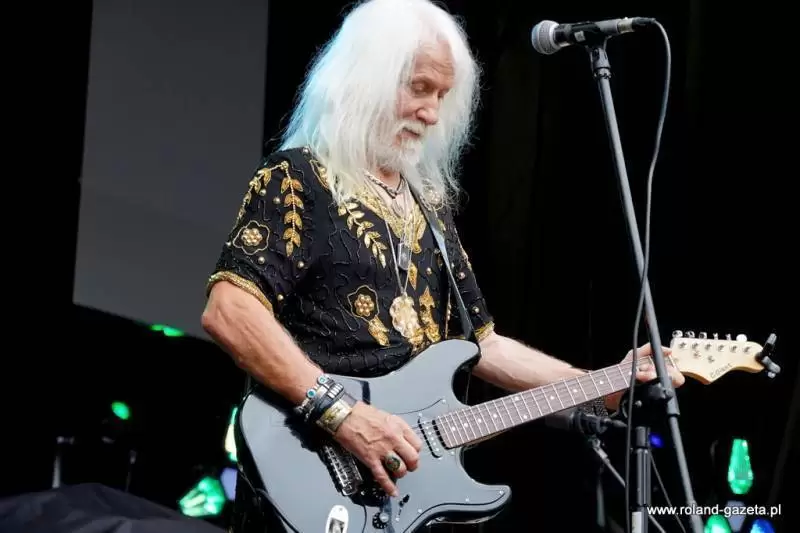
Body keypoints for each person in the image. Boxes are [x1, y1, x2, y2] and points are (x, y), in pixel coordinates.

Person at [201, 0, 686, 530]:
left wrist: (597, 383)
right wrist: (342, 414)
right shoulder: (298, 179)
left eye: (441, 96)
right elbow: (230, 313)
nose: (432, 113)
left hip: (395, 495)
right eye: (419, 88)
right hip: (308, 473)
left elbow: (483, 345)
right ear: (367, 79)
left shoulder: (428, 204)